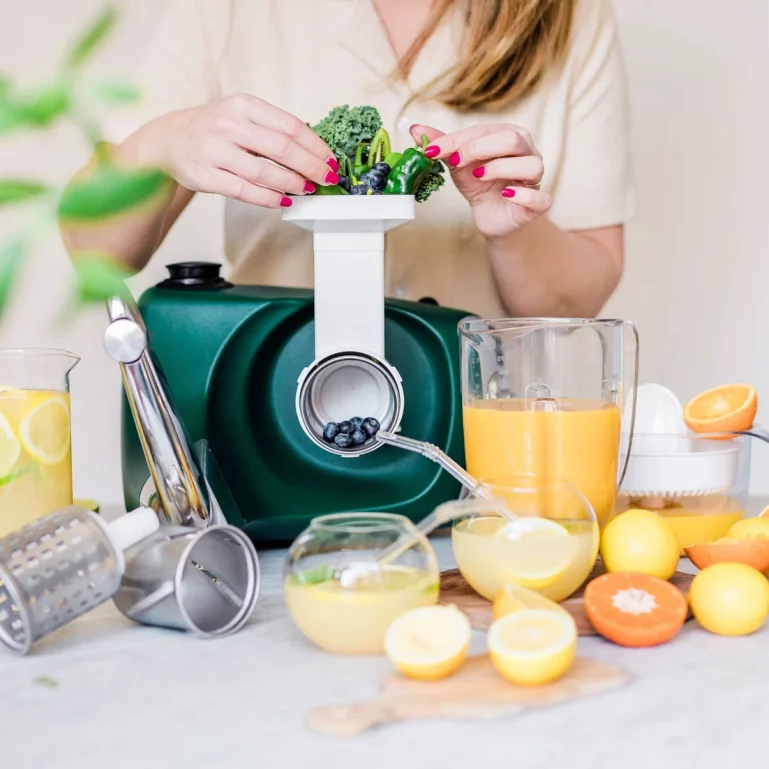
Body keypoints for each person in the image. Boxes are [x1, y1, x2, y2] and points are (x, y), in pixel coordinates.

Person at [61, 0, 634, 319]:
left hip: (474, 423)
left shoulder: (570, 14)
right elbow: (95, 248)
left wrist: (510, 228)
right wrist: (163, 144)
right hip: (277, 404)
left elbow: (579, 299)